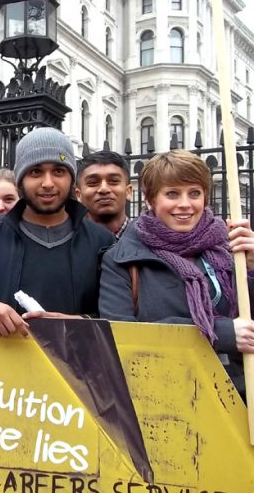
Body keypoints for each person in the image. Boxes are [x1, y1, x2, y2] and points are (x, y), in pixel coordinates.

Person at [0, 127, 115, 336]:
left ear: (71, 179)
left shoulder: (102, 242)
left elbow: (120, 317)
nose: (48, 183)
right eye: (36, 171)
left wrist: (81, 322)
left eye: (58, 171)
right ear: (20, 180)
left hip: (78, 366)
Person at [99, 150, 254, 397]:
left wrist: (252, 267)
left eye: (194, 193)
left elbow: (247, 319)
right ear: (150, 200)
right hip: (166, 400)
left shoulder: (228, 247)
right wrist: (220, 334)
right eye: (172, 193)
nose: (185, 204)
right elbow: (121, 336)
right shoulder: (122, 259)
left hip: (238, 398)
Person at [76, 151, 133, 238]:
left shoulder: (150, 242)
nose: (104, 189)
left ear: (128, 191)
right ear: (78, 195)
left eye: (114, 181)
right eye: (93, 182)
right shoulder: (65, 244)